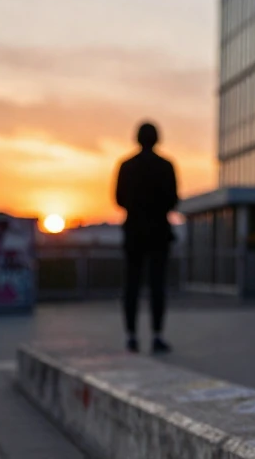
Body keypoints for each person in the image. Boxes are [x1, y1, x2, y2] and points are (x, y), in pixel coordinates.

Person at [114, 121, 179, 354]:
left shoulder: (127, 166)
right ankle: (157, 335)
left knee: (131, 285)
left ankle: (131, 336)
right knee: (157, 286)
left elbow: (119, 199)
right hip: (159, 233)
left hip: (134, 233)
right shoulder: (166, 166)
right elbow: (173, 199)